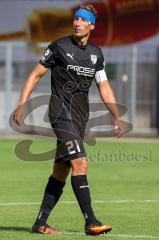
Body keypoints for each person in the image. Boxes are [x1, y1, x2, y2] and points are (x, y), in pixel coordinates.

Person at [14, 4, 125, 236]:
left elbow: (104, 86)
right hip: (60, 114)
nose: (77, 23)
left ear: (91, 25)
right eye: (75, 19)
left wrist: (116, 115)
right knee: (81, 163)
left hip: (79, 118)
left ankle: (40, 223)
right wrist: (22, 104)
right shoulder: (58, 47)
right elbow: (35, 75)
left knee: (60, 171)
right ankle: (91, 221)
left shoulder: (96, 54)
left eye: (83, 20)